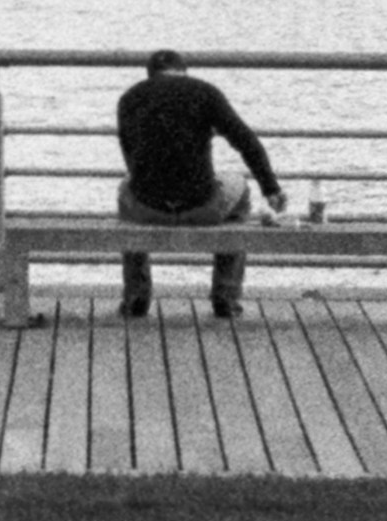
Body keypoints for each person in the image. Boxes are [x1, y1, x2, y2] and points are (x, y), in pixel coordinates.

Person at [113, 47, 285, 318]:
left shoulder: (129, 98)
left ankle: (137, 294)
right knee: (239, 186)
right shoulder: (204, 92)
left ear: (150, 76)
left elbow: (130, 157)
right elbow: (245, 141)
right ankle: (225, 296)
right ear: (184, 72)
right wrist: (271, 188)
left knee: (125, 189)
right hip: (201, 205)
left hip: (148, 208)